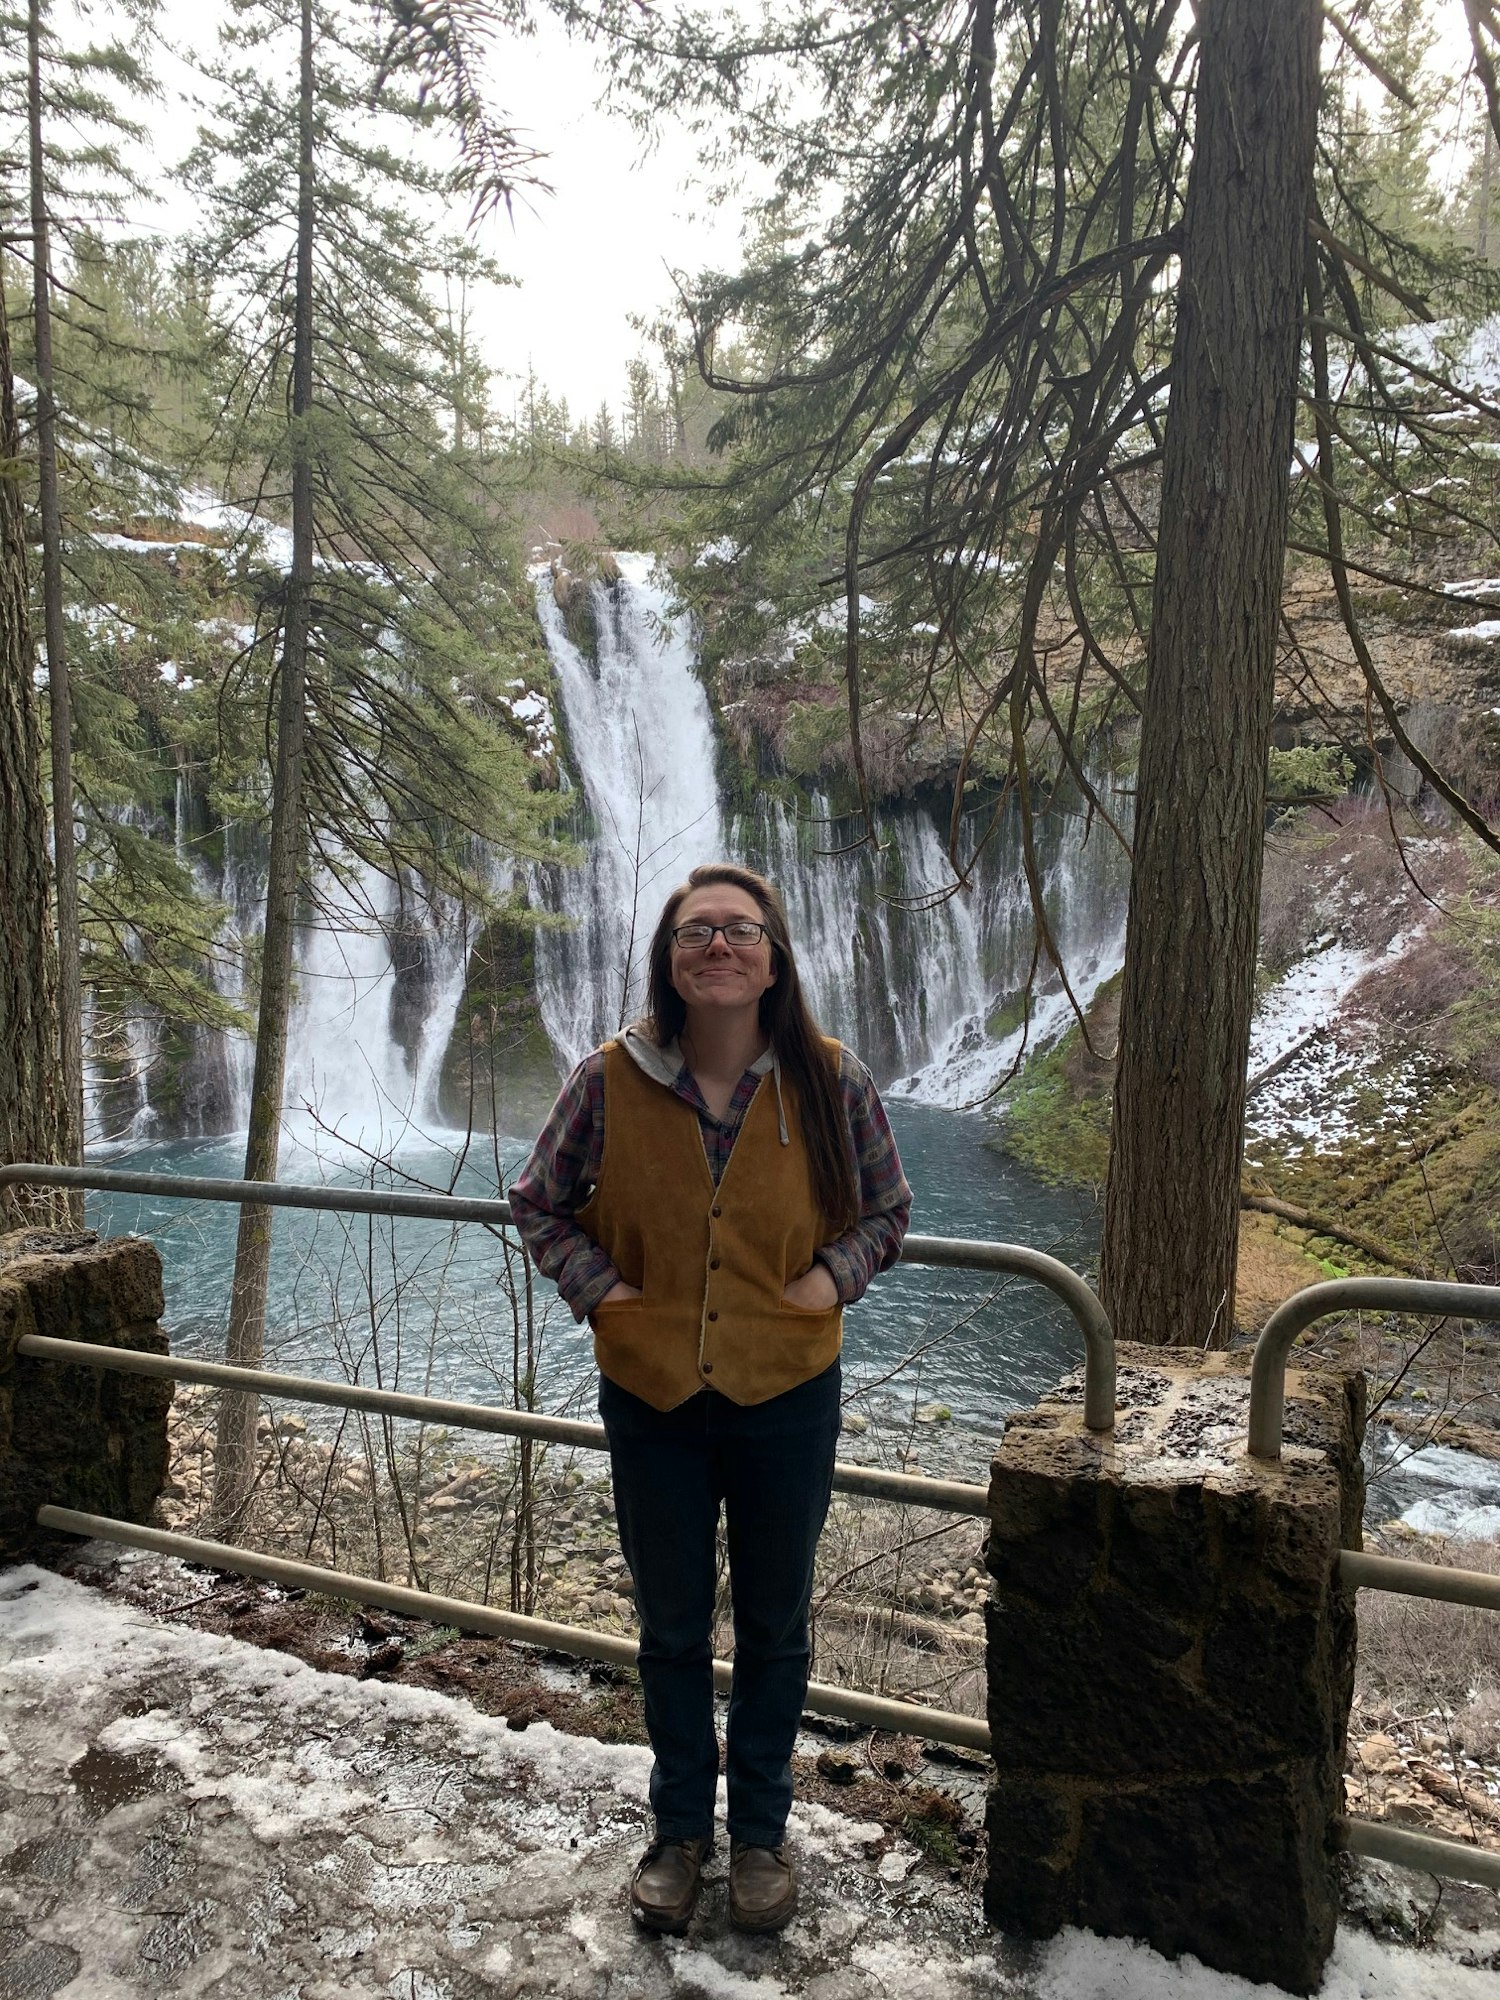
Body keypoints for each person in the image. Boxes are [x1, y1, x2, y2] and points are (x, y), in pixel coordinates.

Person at [509, 861, 910, 1937]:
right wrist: (610, 1296)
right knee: (671, 1625)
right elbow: (538, 1201)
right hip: (653, 1397)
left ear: (775, 955)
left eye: (740, 930)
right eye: (696, 933)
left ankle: (762, 1835)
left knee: (775, 1628)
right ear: (670, 961)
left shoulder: (834, 1078)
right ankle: (679, 1830)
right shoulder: (608, 1078)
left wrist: (830, 1279)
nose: (718, 947)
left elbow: (887, 1207)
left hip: (789, 1393)